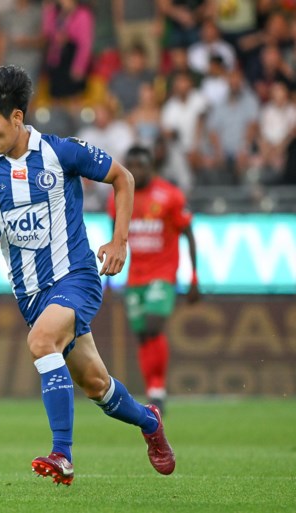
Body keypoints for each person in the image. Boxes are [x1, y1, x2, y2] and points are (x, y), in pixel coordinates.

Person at [0, 65, 174, 486]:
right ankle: (150, 422)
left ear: (16, 117)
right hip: (30, 294)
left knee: (40, 342)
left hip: (75, 276)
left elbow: (122, 178)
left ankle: (62, 455)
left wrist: (119, 241)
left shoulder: (60, 152)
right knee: (96, 385)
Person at [107, 146, 200, 414]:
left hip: (163, 274)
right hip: (135, 276)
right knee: (143, 334)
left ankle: (158, 393)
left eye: (141, 165)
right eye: (131, 165)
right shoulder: (119, 197)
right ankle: (154, 391)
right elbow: (115, 233)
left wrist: (194, 276)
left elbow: (189, 233)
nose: (135, 170)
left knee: (153, 325)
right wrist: (111, 275)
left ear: (151, 167)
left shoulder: (169, 195)